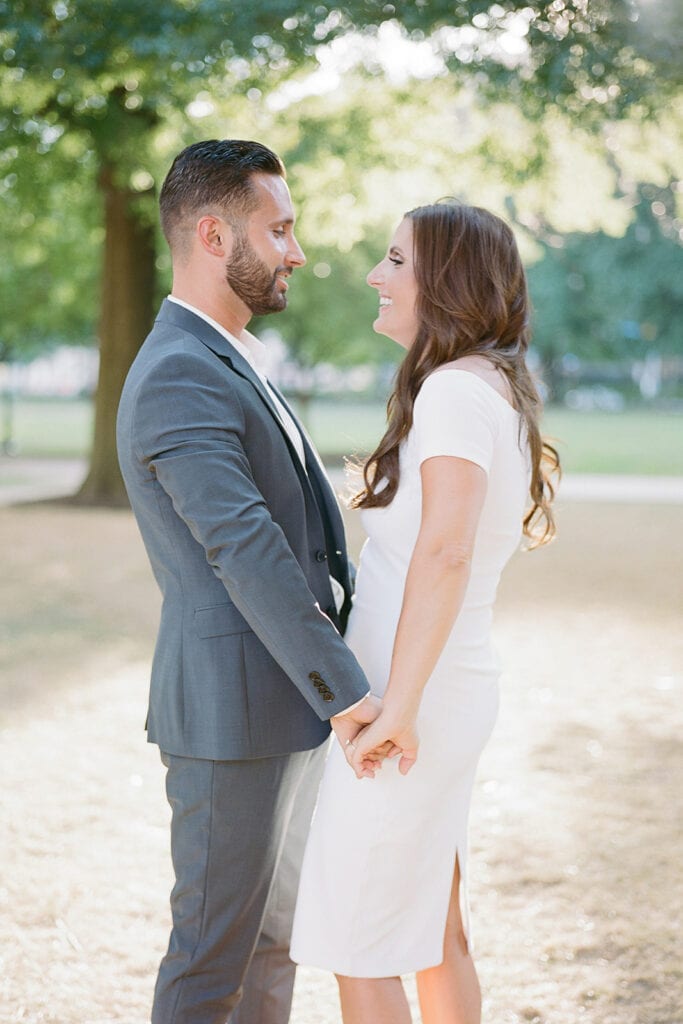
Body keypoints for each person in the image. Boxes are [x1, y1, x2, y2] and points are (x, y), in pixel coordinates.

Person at [116, 139, 381, 1024]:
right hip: (232, 717)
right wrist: (348, 693)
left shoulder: (230, 354)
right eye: (280, 229)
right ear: (212, 234)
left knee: (273, 942)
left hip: (282, 706)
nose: (297, 252)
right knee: (209, 957)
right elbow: (246, 550)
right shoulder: (178, 373)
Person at [290, 201, 560, 1024]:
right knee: (434, 928)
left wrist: (394, 711)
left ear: (445, 282)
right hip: (440, 687)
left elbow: (444, 552)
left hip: (411, 700)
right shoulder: (489, 386)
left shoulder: (451, 391)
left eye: (396, 262)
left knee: (355, 939)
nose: (376, 275)